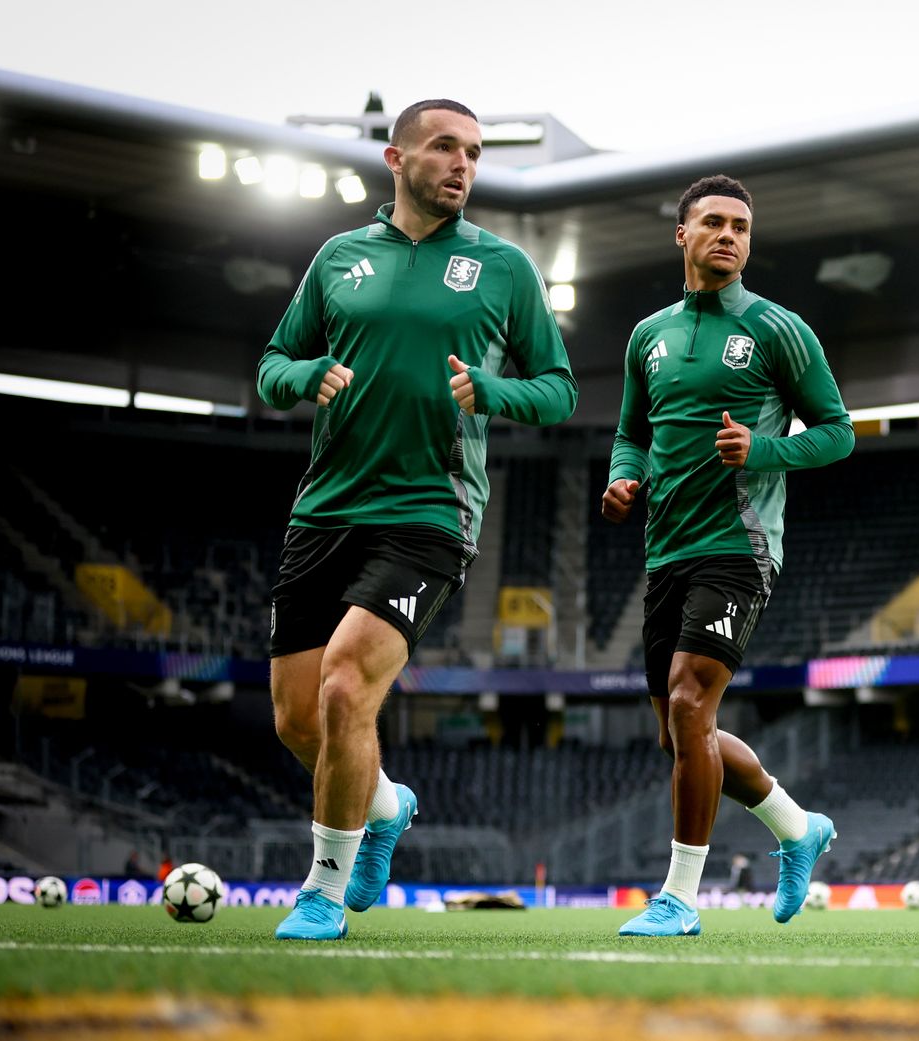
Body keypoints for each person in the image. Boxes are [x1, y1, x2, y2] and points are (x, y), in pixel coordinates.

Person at [257, 98, 577, 940]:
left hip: (431, 509)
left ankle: (322, 889)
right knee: (298, 718)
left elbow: (559, 385)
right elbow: (272, 364)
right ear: (397, 159)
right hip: (325, 508)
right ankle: (388, 802)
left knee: (344, 683)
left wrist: (494, 390)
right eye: (445, 147)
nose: (464, 163)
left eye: (473, 151)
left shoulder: (504, 267)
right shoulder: (337, 258)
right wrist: (305, 377)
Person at [602, 174, 853, 937]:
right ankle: (796, 825)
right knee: (681, 729)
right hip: (667, 548)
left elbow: (837, 430)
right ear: (682, 234)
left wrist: (762, 448)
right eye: (713, 222)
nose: (729, 236)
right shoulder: (649, 335)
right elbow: (629, 431)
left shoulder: (779, 328)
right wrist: (623, 474)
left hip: (739, 546)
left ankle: (678, 897)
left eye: (741, 226)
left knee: (687, 702)